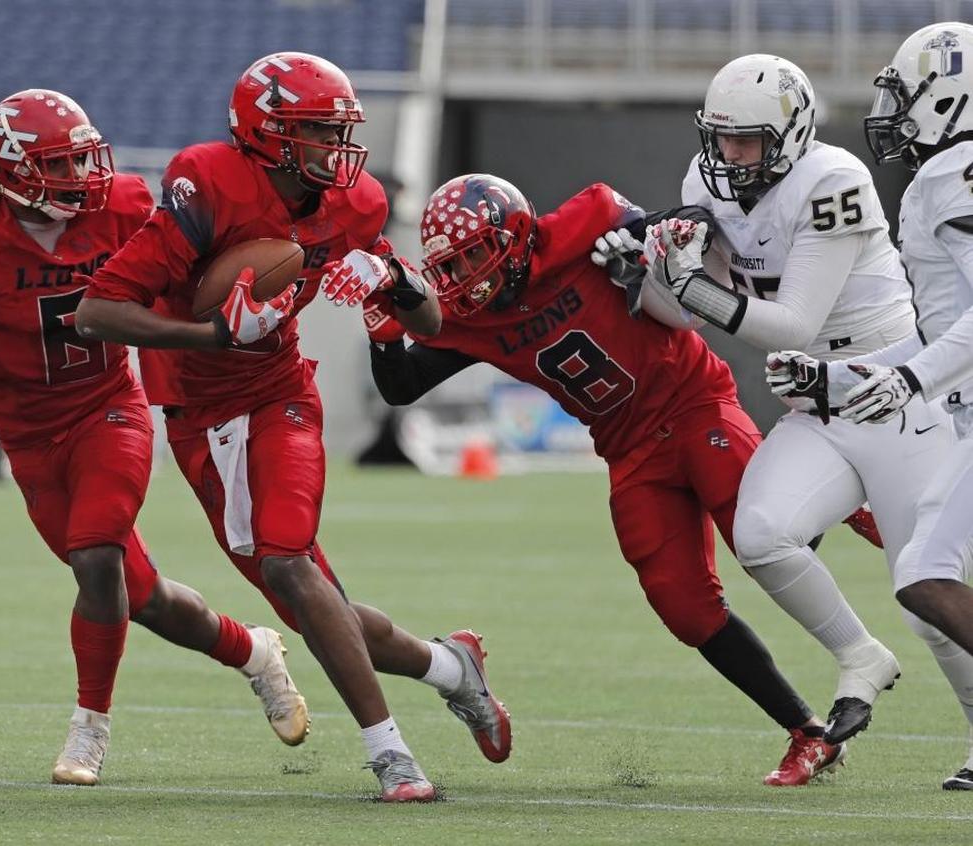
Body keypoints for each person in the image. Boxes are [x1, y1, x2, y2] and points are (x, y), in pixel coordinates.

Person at [73, 53, 511, 802]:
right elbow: (96, 313)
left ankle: (393, 758)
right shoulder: (208, 185)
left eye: (339, 132)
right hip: (199, 417)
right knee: (312, 604)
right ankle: (450, 666)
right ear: (268, 132)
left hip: (282, 395)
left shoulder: (357, 204)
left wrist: (394, 280)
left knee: (287, 564)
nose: (336, 151)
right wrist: (214, 333)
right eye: (318, 132)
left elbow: (430, 319)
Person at [342, 171, 843, 786]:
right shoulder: (469, 318)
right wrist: (384, 332)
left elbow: (688, 224)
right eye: (452, 264)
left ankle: (849, 483)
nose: (466, 275)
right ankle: (808, 732)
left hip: (693, 406)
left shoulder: (585, 221)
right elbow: (400, 386)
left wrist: (641, 242)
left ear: (516, 233)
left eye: (475, 253)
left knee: (768, 538)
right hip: (630, 451)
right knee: (686, 610)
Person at [0, 88, 308, 787]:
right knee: (141, 595)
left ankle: (88, 729)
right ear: (10, 173)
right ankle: (254, 652)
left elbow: (184, 274)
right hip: (29, 438)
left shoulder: (122, 207)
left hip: (107, 409)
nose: (82, 177)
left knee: (97, 557)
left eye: (82, 159)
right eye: (60, 165)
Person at [640, 53, 962, 746]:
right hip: (815, 403)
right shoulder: (709, 179)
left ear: (791, 132)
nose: (728, 154)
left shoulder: (834, 180)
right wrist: (649, 268)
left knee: (929, 596)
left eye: (746, 139)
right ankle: (858, 654)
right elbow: (683, 314)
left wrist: (691, 284)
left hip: (892, 394)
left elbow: (793, 325)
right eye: (720, 137)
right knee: (761, 534)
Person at [768, 22, 973, 790]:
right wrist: (838, 378)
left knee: (923, 573)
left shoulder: (954, 174)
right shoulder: (948, 175)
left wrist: (913, 381)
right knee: (927, 568)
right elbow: (940, 329)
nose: (892, 110)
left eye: (907, 93)